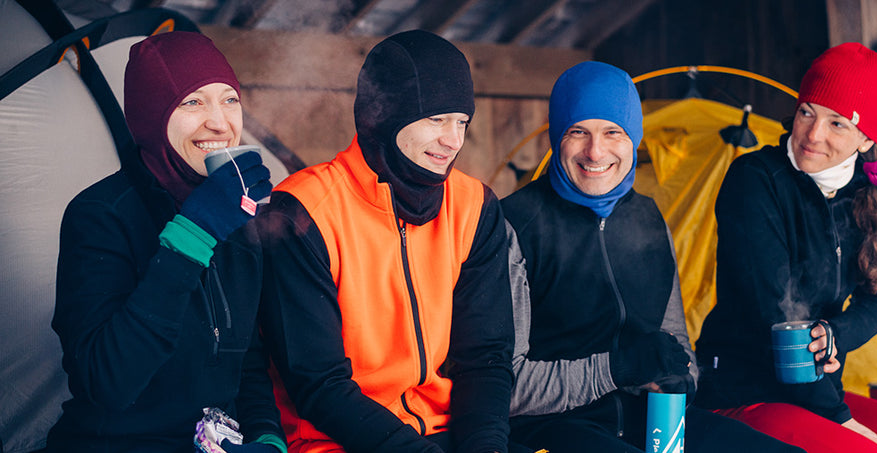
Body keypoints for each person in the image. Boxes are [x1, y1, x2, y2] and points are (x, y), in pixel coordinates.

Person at [502, 61, 803, 453]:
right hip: (555, 427)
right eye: (578, 132)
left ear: (634, 138)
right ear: (558, 135)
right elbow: (505, 387)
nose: (596, 151)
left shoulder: (646, 216)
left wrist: (684, 378)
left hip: (652, 417)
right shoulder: (516, 223)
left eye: (613, 132)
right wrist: (616, 368)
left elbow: (675, 339)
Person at [257, 30, 521, 453]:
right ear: (385, 114)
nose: (453, 140)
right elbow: (318, 384)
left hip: (447, 434)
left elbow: (486, 356)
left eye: (461, 121)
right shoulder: (305, 211)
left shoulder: (473, 205)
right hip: (337, 442)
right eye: (436, 119)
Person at [693, 43, 877, 453]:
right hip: (743, 391)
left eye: (837, 123)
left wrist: (834, 334)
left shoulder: (869, 191)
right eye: (806, 112)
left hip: (818, 394)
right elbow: (775, 317)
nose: (813, 135)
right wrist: (840, 418)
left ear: (865, 136)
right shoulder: (755, 181)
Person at [46, 31, 283, 452]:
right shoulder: (100, 215)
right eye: (192, 102)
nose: (220, 122)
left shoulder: (238, 214)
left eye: (230, 99)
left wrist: (266, 438)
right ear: (152, 113)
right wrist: (194, 235)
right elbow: (108, 383)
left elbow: (244, 360)